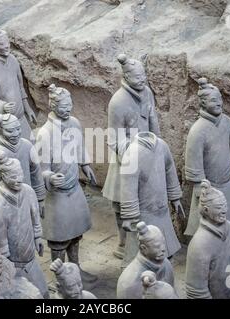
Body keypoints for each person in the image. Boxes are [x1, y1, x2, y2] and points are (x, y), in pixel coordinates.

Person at [36, 84, 97, 284]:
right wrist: (49, 177)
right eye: (63, 106)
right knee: (59, 238)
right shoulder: (45, 134)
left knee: (75, 231)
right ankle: (60, 278)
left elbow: (79, 147)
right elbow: (40, 167)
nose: (68, 109)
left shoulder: (74, 123)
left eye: (70, 105)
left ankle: (76, 269)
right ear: (52, 105)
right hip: (57, 194)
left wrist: (85, 164)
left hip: (73, 189)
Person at [102, 54, 160, 259]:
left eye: (144, 75)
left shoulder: (147, 92)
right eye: (137, 77)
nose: (142, 80)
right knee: (121, 202)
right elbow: (113, 139)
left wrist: (157, 145)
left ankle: (146, 238)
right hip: (125, 159)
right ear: (126, 76)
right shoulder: (117, 102)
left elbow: (153, 120)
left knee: (145, 199)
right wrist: (134, 152)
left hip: (147, 154)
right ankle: (123, 242)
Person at [184, 78, 230, 236]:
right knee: (207, 229)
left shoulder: (227, 122)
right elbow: (194, 162)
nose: (219, 103)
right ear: (204, 103)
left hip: (227, 183)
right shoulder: (197, 130)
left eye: (220, 99)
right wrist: (201, 189)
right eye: (214, 100)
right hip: (209, 187)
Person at [0, 152, 48, 298]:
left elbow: (35, 216)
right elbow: (2, 250)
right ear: (3, 177)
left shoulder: (28, 191)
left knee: (44, 293)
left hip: (31, 260)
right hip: (14, 267)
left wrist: (38, 237)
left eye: (20, 174)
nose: (19, 179)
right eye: (13, 177)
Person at [119, 131, 185, 264]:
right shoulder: (132, 153)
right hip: (143, 216)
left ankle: (164, 272)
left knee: (166, 252)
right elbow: (128, 187)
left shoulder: (162, 145)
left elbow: (169, 170)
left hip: (162, 211)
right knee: (138, 258)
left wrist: (175, 197)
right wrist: (129, 216)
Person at [185, 179, 230, 299]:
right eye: (219, 207)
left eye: (225, 206)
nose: (224, 210)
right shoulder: (199, 244)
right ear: (206, 210)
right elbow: (196, 291)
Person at [0, 24, 37, 146]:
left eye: (7, 43)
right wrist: (3, 107)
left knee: (31, 152)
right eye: (2, 44)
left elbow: (20, 87)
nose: (6, 46)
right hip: (5, 126)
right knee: (2, 158)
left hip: (21, 120)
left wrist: (27, 108)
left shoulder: (13, 60)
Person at [0, 112, 45, 211]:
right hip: (7, 211)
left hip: (28, 204)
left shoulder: (27, 146)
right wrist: (3, 214)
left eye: (18, 129)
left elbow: (35, 173)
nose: (15, 134)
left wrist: (40, 199)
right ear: (0, 130)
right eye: (10, 131)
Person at [117, 222, 174, 299]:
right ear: (144, 248)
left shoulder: (166, 264)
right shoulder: (129, 282)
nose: (163, 249)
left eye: (163, 243)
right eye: (157, 246)